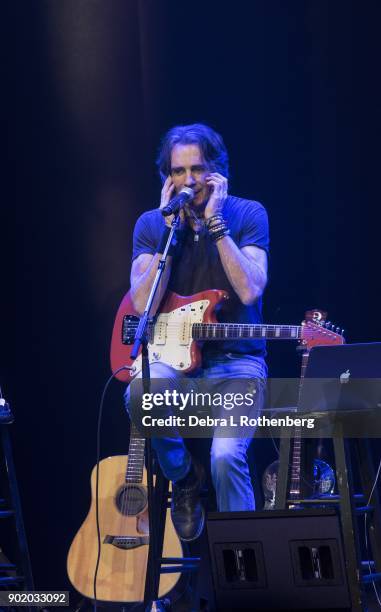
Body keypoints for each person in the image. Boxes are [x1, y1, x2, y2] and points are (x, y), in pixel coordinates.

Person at [126, 123, 269, 541]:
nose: (189, 180)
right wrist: (172, 231)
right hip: (175, 364)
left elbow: (249, 287)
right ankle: (184, 475)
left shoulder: (248, 214)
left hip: (237, 365)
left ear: (217, 172)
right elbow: (142, 305)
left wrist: (217, 224)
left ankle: (245, 561)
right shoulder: (152, 225)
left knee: (225, 456)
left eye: (197, 169)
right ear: (167, 177)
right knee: (136, 391)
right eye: (178, 171)